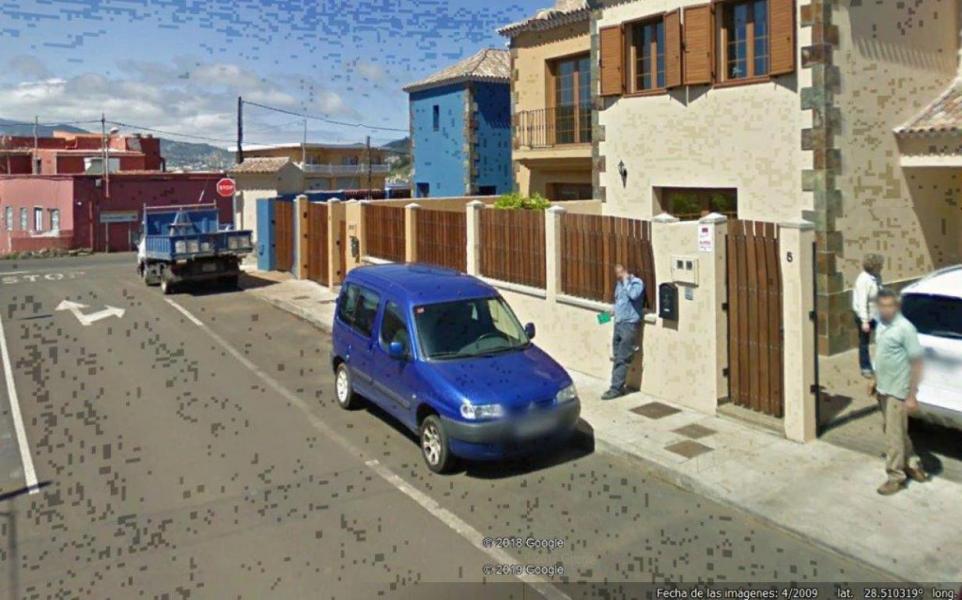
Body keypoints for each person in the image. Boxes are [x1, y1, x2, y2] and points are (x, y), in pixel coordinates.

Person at [872, 288, 928, 496]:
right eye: (882, 305)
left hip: (898, 390)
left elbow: (917, 363)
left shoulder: (906, 329)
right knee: (896, 431)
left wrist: (912, 395)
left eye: (889, 305)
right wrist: (874, 378)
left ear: (897, 306)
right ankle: (912, 464)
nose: (885, 309)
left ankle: (895, 477)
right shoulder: (881, 324)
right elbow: (881, 353)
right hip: (883, 387)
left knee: (893, 437)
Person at [601, 264, 645, 400]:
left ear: (625, 271)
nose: (617, 276)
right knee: (617, 356)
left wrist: (626, 280)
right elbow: (619, 303)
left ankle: (616, 389)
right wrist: (606, 316)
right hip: (618, 324)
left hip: (629, 325)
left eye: (619, 273)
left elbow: (633, 295)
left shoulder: (636, 283)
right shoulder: (619, 285)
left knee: (622, 358)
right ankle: (617, 385)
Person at [852, 254, 883, 378]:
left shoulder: (877, 277)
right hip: (864, 315)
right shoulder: (863, 280)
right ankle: (865, 367)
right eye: (880, 265)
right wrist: (864, 321)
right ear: (874, 266)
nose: (882, 267)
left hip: (876, 314)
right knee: (864, 342)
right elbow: (862, 302)